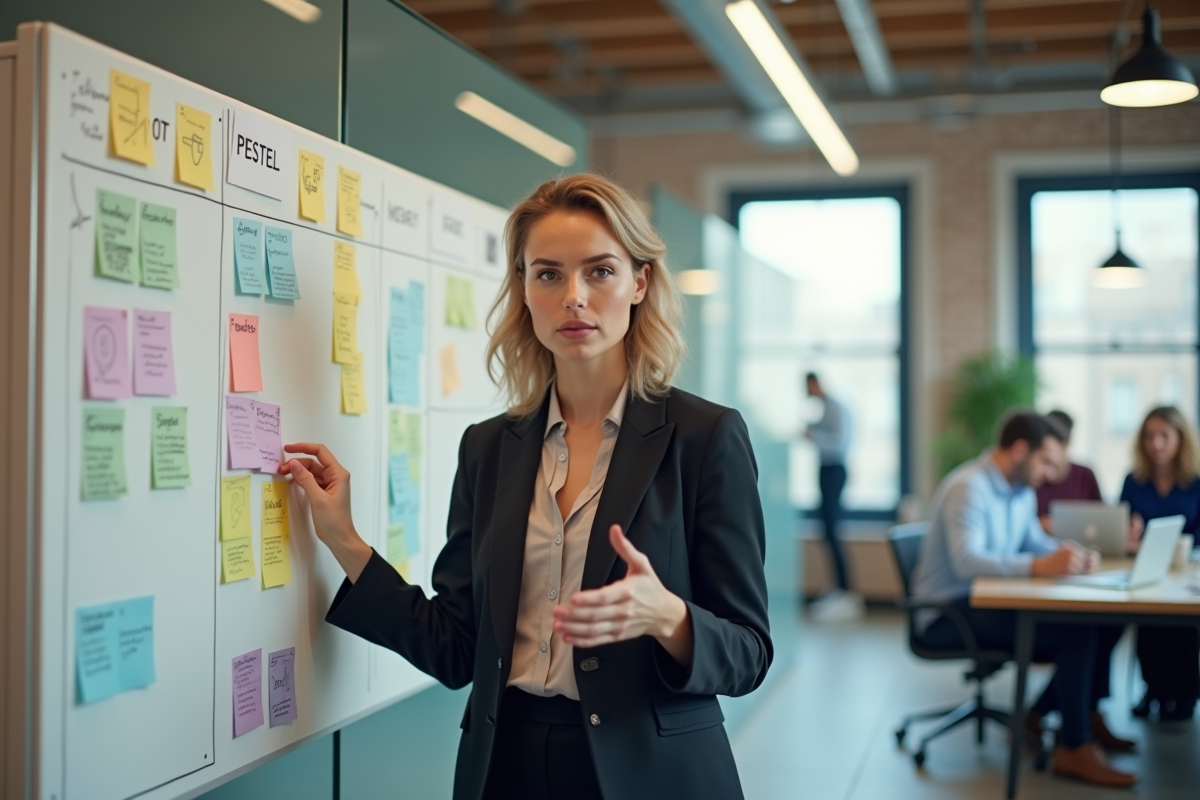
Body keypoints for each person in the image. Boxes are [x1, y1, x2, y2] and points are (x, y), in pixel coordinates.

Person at [279, 174, 772, 800]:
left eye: (599, 271)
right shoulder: (489, 447)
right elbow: (457, 648)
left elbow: (750, 652)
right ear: (523, 288)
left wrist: (668, 617)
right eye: (548, 274)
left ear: (639, 282)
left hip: (648, 774)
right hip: (506, 765)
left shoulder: (706, 438)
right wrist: (344, 540)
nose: (574, 297)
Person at [911, 411, 1137, 787]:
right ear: (1019, 451)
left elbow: (1034, 542)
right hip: (951, 611)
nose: (1052, 473)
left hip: (989, 601)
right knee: (1075, 633)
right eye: (1046, 461)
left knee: (1104, 621)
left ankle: (1076, 717)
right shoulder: (969, 487)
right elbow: (969, 562)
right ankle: (1073, 747)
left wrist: (1071, 554)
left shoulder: (1019, 491)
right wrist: (1041, 564)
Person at [1028, 409, 1133, 751]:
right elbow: (1024, 534)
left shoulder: (1084, 474)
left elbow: (1102, 522)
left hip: (1075, 568)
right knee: (1082, 631)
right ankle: (1076, 726)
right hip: (1041, 577)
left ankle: (1082, 712)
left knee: (1111, 621)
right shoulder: (1029, 480)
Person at [1121, 406, 1200, 722]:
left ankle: (1182, 694)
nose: (1156, 444)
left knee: (1181, 627)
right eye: (1150, 436)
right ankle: (1153, 689)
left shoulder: (1195, 482)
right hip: (1146, 566)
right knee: (1148, 622)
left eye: (1164, 436)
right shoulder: (1134, 480)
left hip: (1187, 568)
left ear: (1180, 439)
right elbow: (1122, 522)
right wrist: (1130, 535)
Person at [803, 372, 861, 621]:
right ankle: (837, 588)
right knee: (827, 531)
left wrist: (813, 436)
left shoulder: (836, 407)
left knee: (833, 531)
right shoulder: (826, 408)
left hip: (834, 471)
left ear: (815, 384)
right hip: (827, 471)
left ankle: (846, 591)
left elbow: (839, 444)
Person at [1036, 409, 1103, 534]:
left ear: (1068, 443)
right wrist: (1036, 525)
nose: (1048, 474)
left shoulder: (1085, 475)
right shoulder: (1032, 477)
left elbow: (1103, 521)